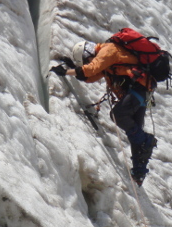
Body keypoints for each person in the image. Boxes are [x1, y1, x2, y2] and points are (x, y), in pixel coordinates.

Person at [51, 39, 158, 185]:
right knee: (134, 130)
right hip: (139, 91)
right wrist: (73, 69)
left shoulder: (108, 50)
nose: (87, 62)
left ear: (88, 53)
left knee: (118, 115)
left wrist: (66, 72)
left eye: (86, 59)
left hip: (138, 89)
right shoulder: (106, 59)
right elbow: (90, 77)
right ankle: (139, 172)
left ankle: (147, 141)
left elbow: (91, 69)